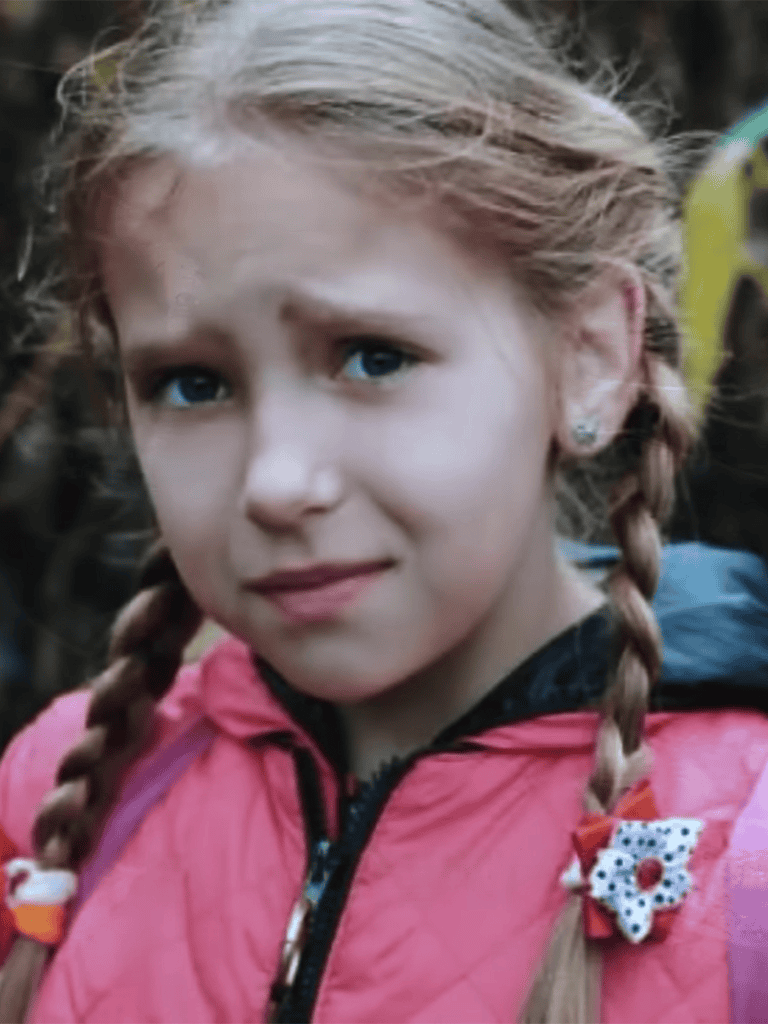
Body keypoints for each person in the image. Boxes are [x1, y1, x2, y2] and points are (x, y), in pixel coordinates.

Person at [0, 2, 767, 1021]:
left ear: (589, 355)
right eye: (191, 382)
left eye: (374, 356)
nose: (276, 482)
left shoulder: (747, 851)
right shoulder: (69, 794)